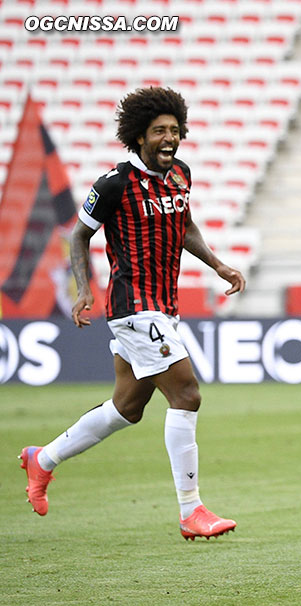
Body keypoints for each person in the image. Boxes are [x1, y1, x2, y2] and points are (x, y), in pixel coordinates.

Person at [19, 87, 245, 540]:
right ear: (139, 135)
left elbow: (184, 225)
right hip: (133, 307)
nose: (169, 139)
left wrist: (217, 263)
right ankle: (191, 511)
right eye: (160, 131)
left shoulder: (180, 175)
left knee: (127, 408)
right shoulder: (114, 184)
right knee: (187, 395)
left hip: (164, 307)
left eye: (175, 131)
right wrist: (84, 290)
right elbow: (79, 236)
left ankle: (42, 460)